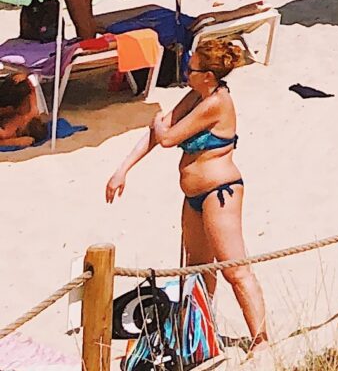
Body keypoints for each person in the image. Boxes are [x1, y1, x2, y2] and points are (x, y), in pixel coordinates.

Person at [105, 34, 267, 350]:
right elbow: (159, 129)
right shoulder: (196, 95)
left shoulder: (216, 102)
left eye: (190, 70)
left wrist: (160, 125)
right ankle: (201, 333)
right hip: (193, 196)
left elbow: (166, 136)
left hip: (220, 193)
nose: (185, 74)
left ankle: (261, 339)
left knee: (234, 269)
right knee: (196, 269)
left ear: (208, 76)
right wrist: (123, 169)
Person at [0, 70, 49, 147]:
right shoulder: (33, 109)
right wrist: (25, 75)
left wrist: (13, 142)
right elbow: (32, 86)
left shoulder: (6, 132)